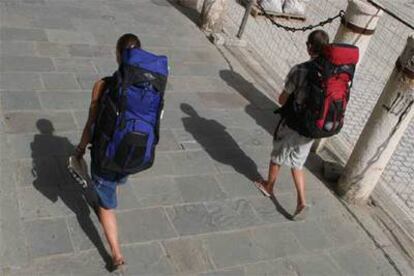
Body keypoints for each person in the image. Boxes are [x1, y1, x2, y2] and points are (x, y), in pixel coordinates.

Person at [75, 33, 142, 270]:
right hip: (132, 156)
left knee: (106, 206)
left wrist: (81, 148)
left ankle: (116, 254)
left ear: (117, 55)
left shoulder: (102, 85)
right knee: (112, 186)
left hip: (105, 156)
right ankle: (110, 188)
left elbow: (91, 123)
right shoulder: (147, 87)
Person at [255, 30, 330, 220]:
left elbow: (282, 99)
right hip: (313, 127)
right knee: (297, 162)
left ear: (309, 47)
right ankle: (301, 201)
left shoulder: (300, 70)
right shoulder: (331, 72)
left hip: (293, 123)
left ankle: (268, 186)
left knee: (277, 155)